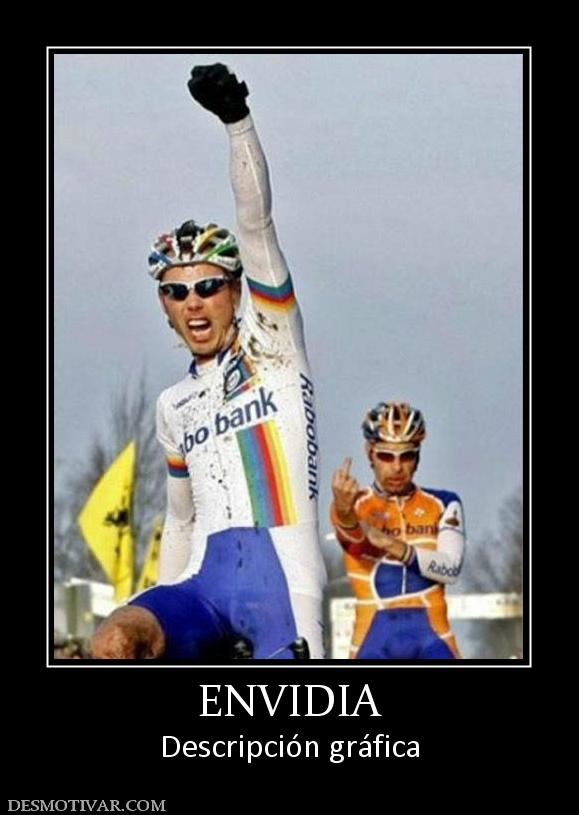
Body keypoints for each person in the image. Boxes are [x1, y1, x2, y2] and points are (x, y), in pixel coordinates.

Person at [92, 64, 326, 660]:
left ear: (236, 290)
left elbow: (257, 225)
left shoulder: (273, 341)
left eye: (208, 286)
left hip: (283, 583)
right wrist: (166, 619)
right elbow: (179, 522)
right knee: (116, 640)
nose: (193, 302)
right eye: (177, 291)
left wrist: (237, 122)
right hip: (200, 586)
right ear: (164, 305)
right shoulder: (173, 405)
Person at [331, 401, 465, 659]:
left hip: (434, 639)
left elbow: (450, 569)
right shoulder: (353, 504)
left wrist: (389, 543)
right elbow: (354, 544)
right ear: (370, 453)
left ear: (418, 457)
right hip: (372, 642)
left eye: (406, 456)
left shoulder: (443, 503)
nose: (396, 467)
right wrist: (344, 512)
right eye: (386, 456)